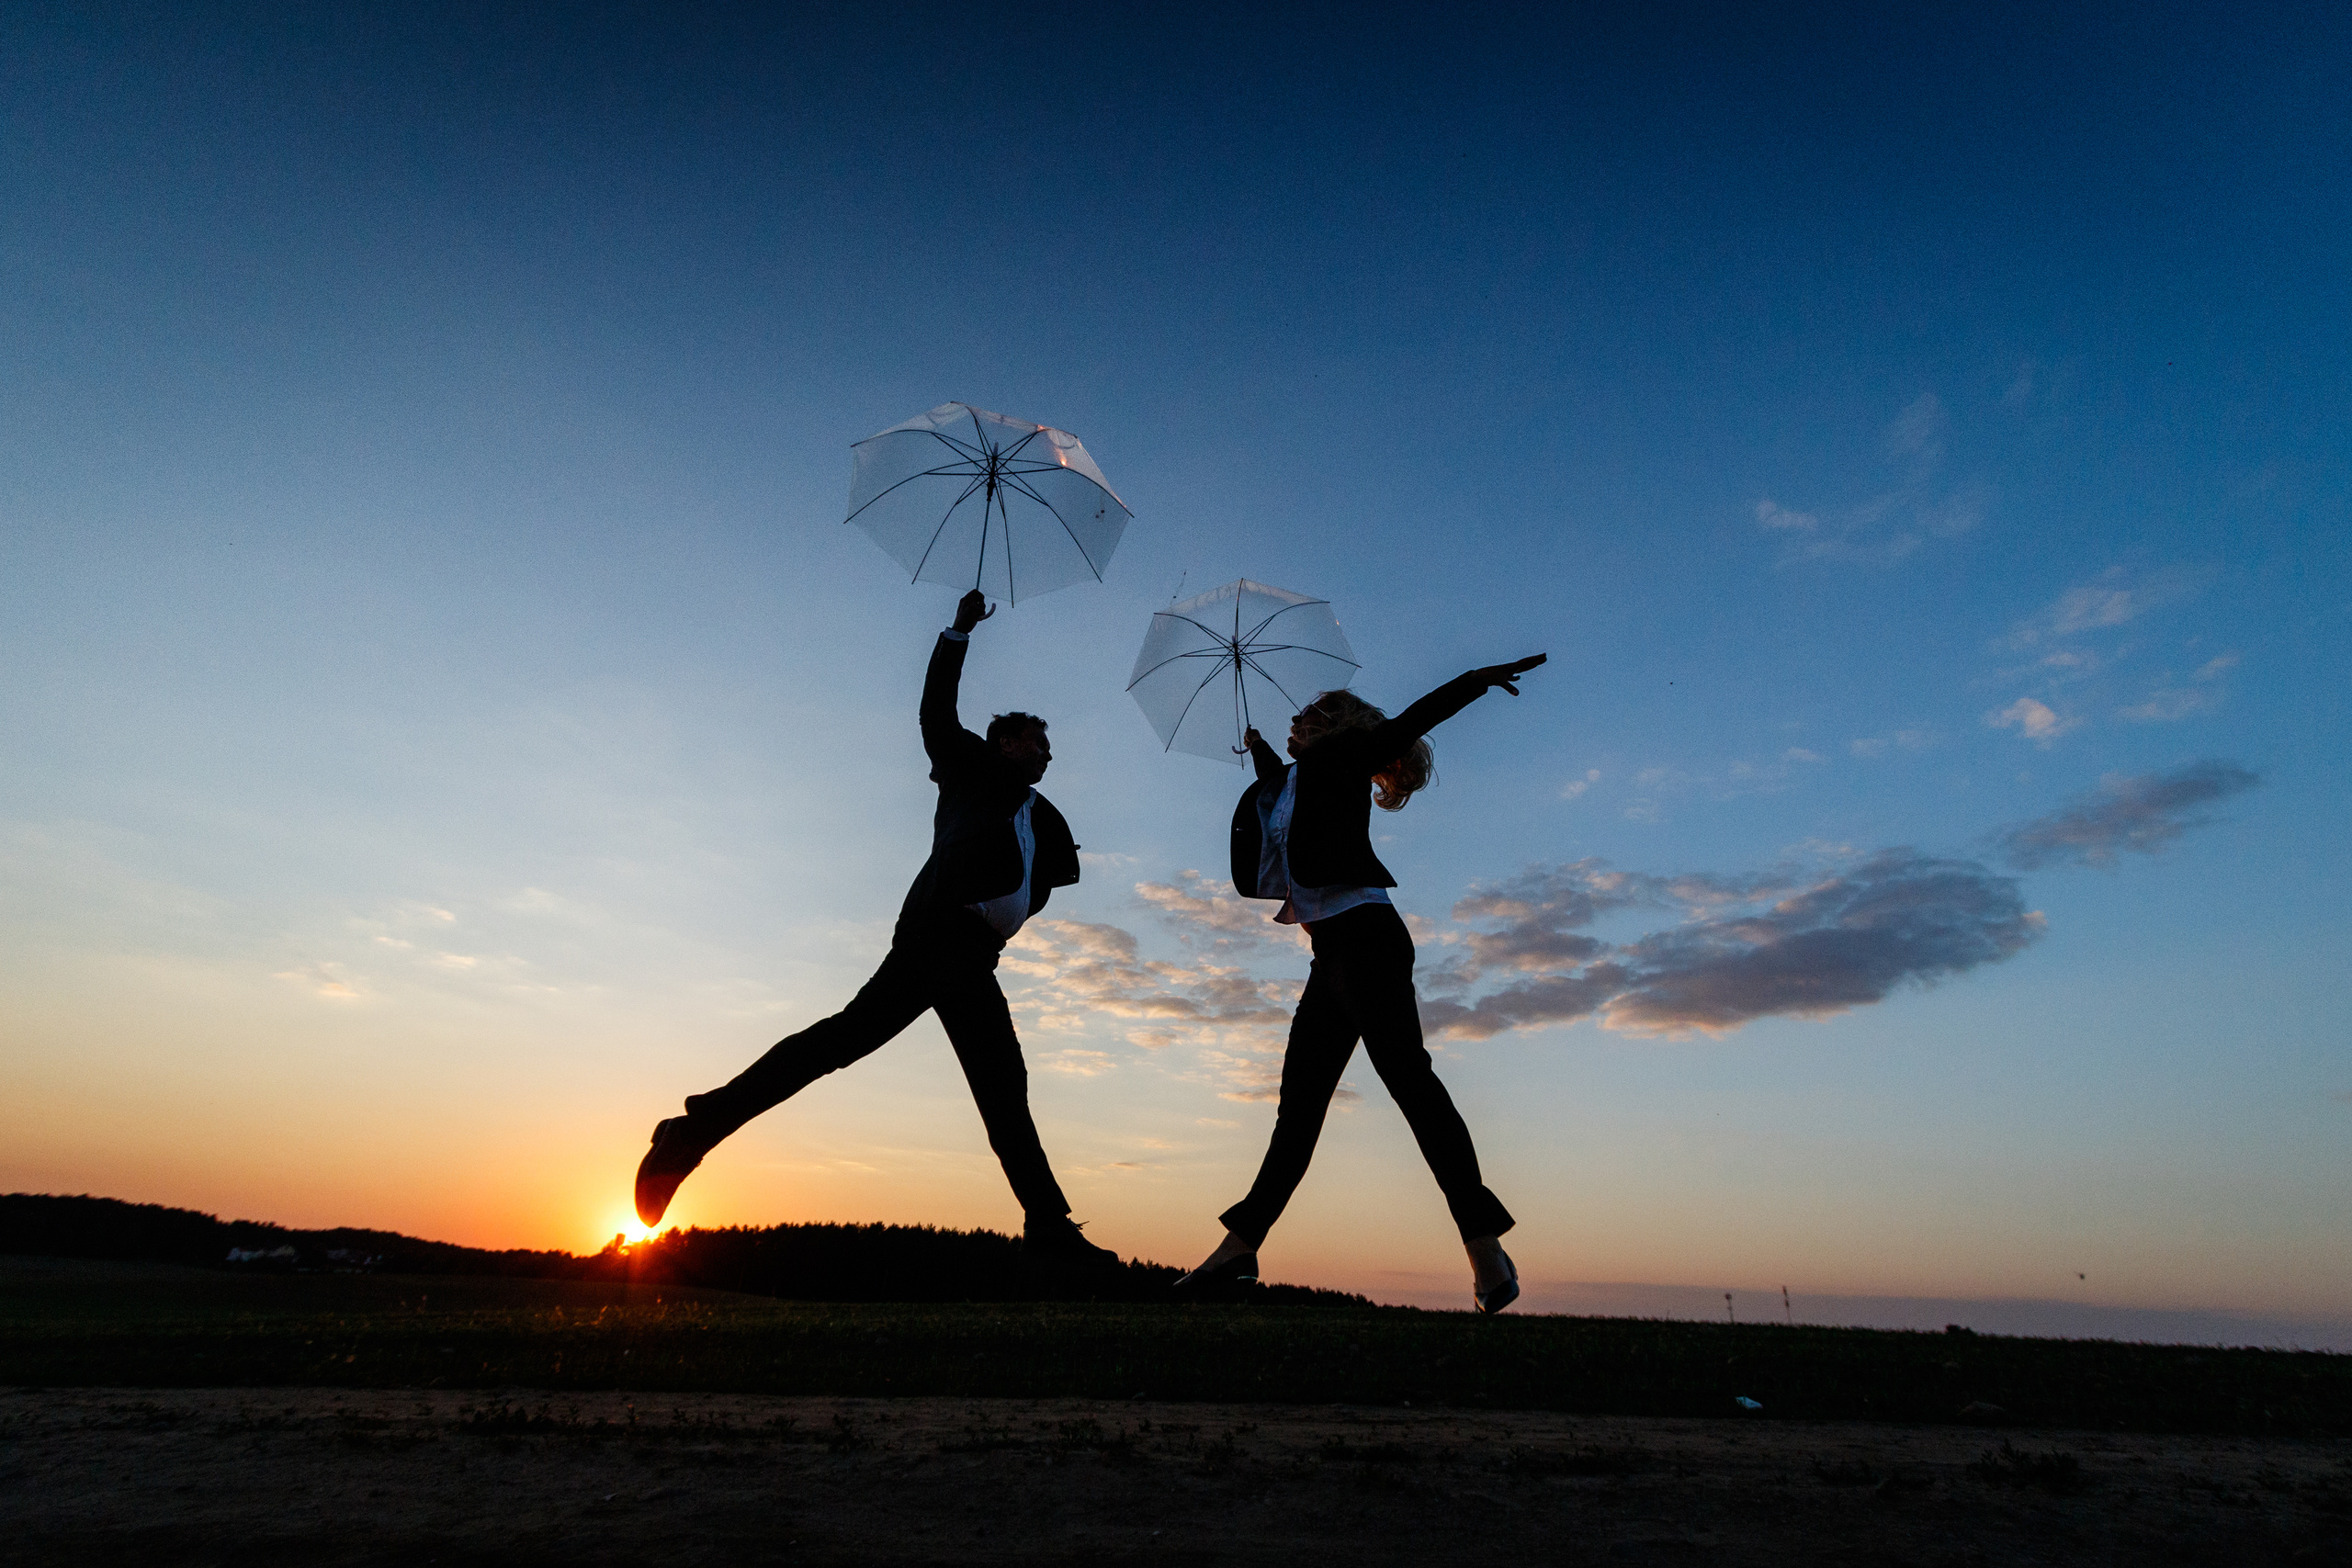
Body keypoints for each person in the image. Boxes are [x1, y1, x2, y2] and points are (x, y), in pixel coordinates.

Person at [632, 589, 1119, 1267]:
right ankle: (689, 1134)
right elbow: (935, 713)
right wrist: (957, 632)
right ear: (1005, 741)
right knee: (922, 1062)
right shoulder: (970, 767)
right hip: (936, 937)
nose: (1047, 754)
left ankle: (693, 1130)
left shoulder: (1044, 816)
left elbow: (1037, 883)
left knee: (965, 1072)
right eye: (1038, 742)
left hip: (974, 955)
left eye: (1048, 747)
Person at [1176, 652, 1547, 1312]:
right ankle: (1240, 1246)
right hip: (1333, 955)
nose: (1295, 715)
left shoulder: (1348, 753)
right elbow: (1292, 801)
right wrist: (1262, 748)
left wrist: (1475, 680)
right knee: (1300, 1109)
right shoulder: (1299, 777)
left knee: (1410, 1081)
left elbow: (1410, 720)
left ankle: (1484, 1243)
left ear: (1336, 725)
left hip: (1368, 943)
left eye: (1309, 711)